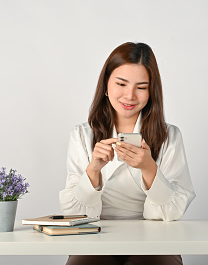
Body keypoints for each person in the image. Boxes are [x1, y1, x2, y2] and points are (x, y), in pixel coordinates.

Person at [59, 42, 196, 265]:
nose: (130, 95)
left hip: (155, 241)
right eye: (121, 84)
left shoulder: (169, 135)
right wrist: (94, 169)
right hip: (96, 239)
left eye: (141, 87)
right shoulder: (83, 135)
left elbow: (173, 212)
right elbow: (76, 213)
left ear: (152, 92)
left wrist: (149, 168)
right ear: (106, 86)